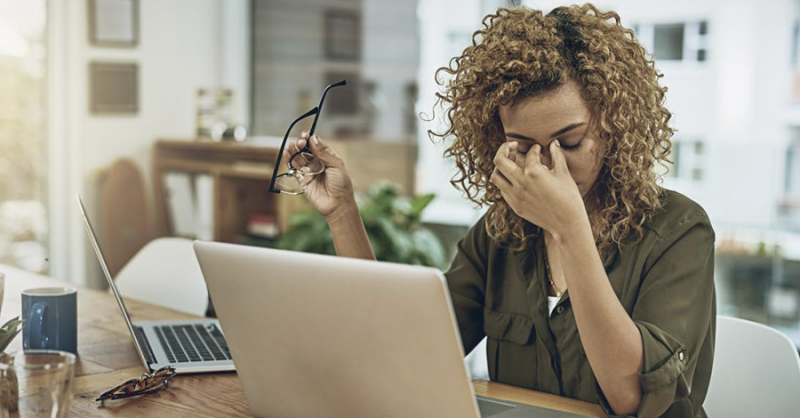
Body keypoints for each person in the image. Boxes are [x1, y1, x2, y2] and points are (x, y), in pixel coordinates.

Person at [283, 4, 715, 418]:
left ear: (612, 124)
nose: (547, 165)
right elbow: (399, 350)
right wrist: (342, 213)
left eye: (569, 142)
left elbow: (629, 398)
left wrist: (569, 228)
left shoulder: (679, 230)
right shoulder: (504, 231)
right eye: (522, 147)